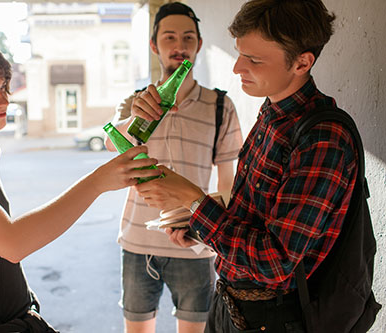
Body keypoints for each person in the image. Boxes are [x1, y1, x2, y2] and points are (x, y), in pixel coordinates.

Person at [0, 36, 161, 332]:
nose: (4, 100)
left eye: (3, 87)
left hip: (16, 319)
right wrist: (97, 182)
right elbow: (13, 243)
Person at [135, 0, 360, 331]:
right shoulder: (272, 111)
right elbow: (255, 212)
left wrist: (193, 200)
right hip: (229, 301)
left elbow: (277, 262)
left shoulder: (322, 137)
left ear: (302, 63)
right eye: (239, 53)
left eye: (254, 59)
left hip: (273, 317)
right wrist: (199, 226)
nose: (237, 67)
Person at [104, 3, 243, 332]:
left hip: (194, 245)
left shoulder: (221, 105)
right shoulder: (136, 100)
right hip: (137, 243)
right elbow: (111, 144)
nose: (179, 45)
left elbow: (227, 185)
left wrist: (203, 234)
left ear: (199, 44)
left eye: (187, 37)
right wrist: (138, 116)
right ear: (154, 46)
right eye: (169, 37)